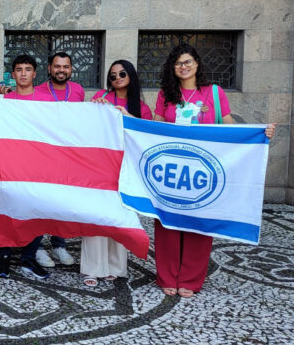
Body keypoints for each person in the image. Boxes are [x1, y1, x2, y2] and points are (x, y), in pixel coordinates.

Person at [152, 44, 275, 297]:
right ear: (172, 69)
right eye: (178, 64)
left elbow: (229, 128)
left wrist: (259, 133)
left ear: (197, 63)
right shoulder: (165, 94)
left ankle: (190, 278)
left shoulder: (214, 93)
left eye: (187, 62)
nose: (183, 67)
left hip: (203, 170)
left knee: (200, 222)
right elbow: (156, 130)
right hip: (172, 170)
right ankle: (167, 275)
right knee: (167, 222)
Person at [80, 60, 152, 287]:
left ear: (131, 75)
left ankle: (116, 267)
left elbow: (146, 137)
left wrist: (128, 116)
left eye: (122, 73)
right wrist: (96, 109)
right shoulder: (100, 98)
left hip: (126, 169)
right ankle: (92, 268)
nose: (117, 78)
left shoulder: (142, 107)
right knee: (95, 217)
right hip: (99, 167)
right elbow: (87, 128)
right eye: (112, 75)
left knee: (120, 217)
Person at [0, 54, 55, 279]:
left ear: (35, 73)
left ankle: (28, 259)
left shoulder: (46, 101)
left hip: (37, 168)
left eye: (28, 69)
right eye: (19, 69)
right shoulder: (4, 101)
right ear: (12, 75)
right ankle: (4, 257)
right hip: (10, 166)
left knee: (36, 213)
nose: (23, 74)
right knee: (7, 213)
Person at [26, 51, 84, 269]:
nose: (61, 70)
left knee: (62, 201)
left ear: (71, 69)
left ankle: (59, 245)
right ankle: (38, 247)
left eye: (66, 66)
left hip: (67, 155)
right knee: (42, 202)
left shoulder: (77, 91)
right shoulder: (38, 91)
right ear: (49, 68)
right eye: (57, 66)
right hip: (43, 156)